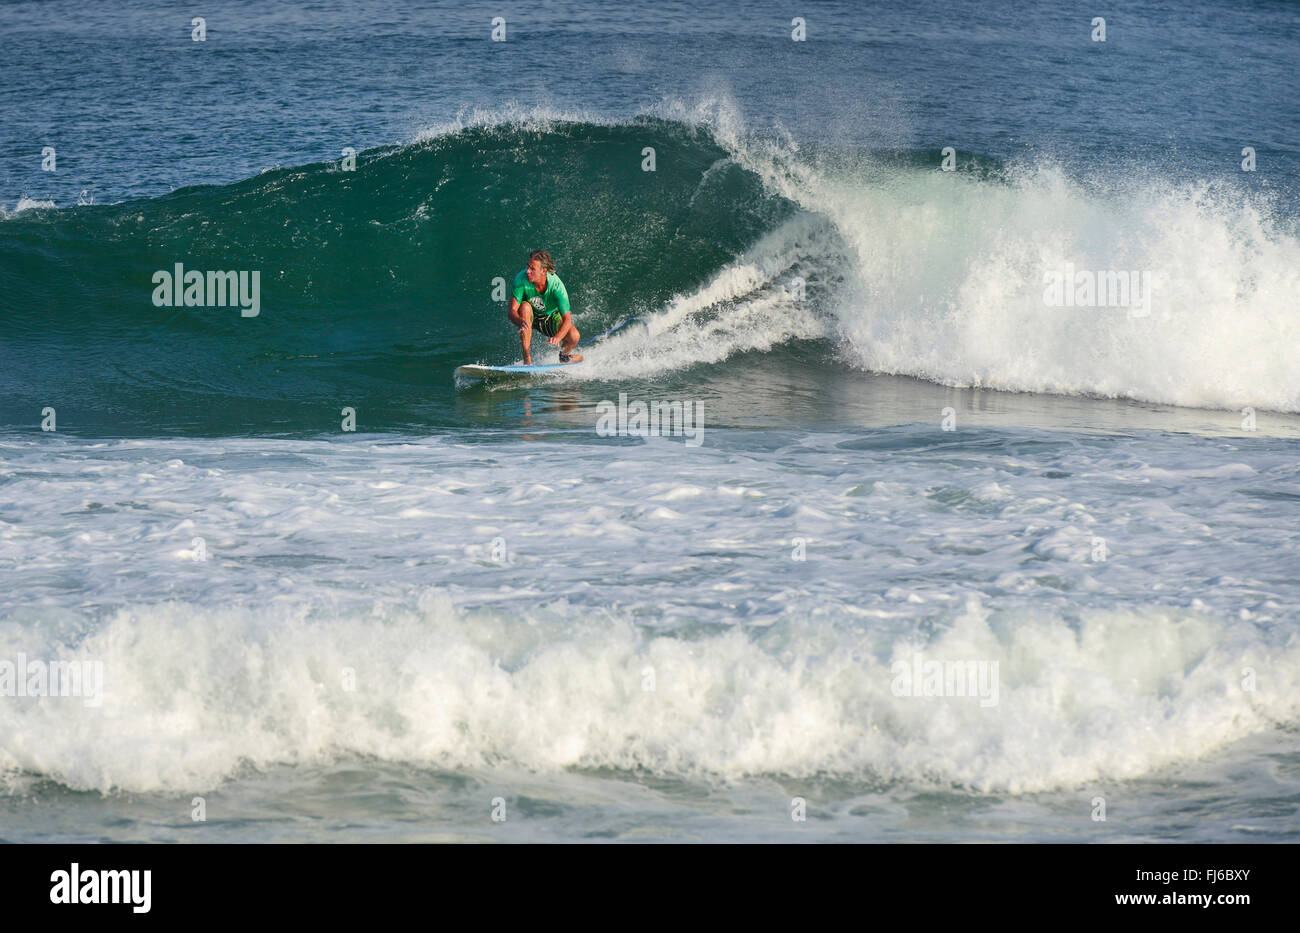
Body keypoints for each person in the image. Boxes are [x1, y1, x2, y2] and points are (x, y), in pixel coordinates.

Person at [507, 250, 582, 365]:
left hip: (549, 317)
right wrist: (519, 321)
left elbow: (567, 319)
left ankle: (564, 356)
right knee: (525, 306)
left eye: (532, 269)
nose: (527, 271)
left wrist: (557, 337)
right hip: (528, 316)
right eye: (528, 266)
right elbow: (511, 311)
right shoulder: (520, 279)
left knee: (574, 336)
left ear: (543, 271)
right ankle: (527, 360)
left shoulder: (557, 287)